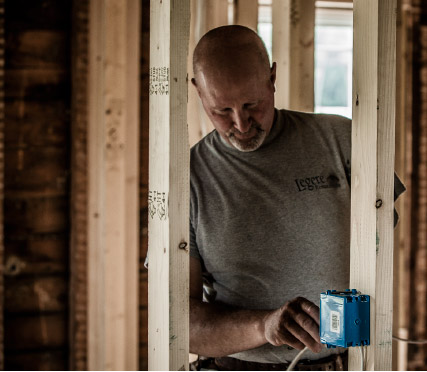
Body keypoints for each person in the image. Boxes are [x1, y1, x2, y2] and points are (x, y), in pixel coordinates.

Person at [189, 25, 403, 371]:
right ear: (197, 91)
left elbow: (380, 253)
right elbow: (181, 326)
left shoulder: (342, 141)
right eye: (221, 111)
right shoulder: (187, 178)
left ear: (272, 78)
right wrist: (264, 326)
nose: (241, 125)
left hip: (343, 363)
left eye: (252, 104)